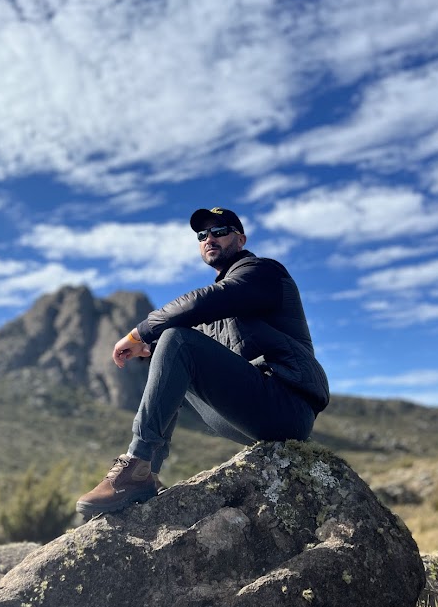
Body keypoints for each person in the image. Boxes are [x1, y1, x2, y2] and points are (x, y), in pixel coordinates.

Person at [76, 206, 329, 517]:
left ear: (240, 239)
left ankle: (136, 463)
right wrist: (152, 351)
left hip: (287, 408)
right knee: (171, 353)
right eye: (202, 234)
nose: (210, 238)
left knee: (176, 338)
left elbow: (204, 302)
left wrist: (139, 333)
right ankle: (147, 475)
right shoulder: (223, 306)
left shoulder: (263, 273)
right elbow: (193, 351)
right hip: (250, 412)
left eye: (220, 232)